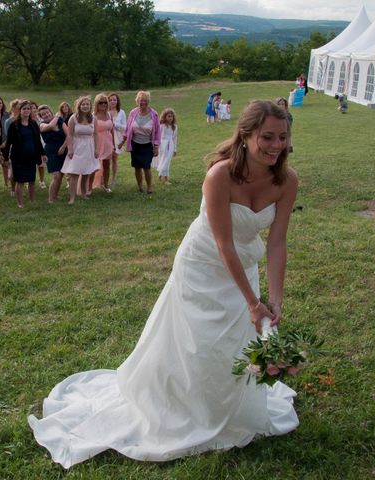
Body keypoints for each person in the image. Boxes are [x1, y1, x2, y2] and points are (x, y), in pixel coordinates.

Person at [28, 100, 299, 469]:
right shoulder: (219, 176)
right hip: (203, 264)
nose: (275, 145)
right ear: (246, 134)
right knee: (197, 341)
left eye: (282, 137)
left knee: (234, 341)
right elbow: (223, 245)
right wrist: (253, 301)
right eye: (267, 136)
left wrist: (276, 301)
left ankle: (226, 407)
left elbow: (278, 241)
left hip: (243, 265)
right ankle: (181, 407)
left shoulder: (287, 181)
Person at [3, 100, 47, 208]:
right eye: (24, 109)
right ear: (20, 110)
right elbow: (8, 143)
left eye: (28, 108)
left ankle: (32, 201)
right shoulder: (14, 125)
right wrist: (5, 158)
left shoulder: (33, 124)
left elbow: (37, 141)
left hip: (32, 157)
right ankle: (20, 203)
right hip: (18, 158)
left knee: (32, 180)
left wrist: (43, 154)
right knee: (20, 181)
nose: (26, 110)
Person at [119, 91, 159, 194]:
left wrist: (156, 146)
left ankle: (149, 187)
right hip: (135, 144)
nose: (143, 102)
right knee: (137, 167)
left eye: (145, 100)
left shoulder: (154, 114)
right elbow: (128, 129)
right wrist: (122, 141)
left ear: (148, 101)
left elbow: (158, 132)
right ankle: (140, 186)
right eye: (141, 100)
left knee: (146, 166)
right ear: (137, 101)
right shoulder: (133, 113)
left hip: (147, 145)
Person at [61, 96, 98, 205]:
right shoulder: (73, 118)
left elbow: (95, 134)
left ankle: (83, 194)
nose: (85, 106)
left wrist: (96, 149)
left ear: (90, 106)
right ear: (79, 106)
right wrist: (70, 149)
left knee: (86, 172)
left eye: (87, 104)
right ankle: (72, 198)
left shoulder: (93, 118)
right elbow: (70, 135)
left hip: (89, 146)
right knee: (74, 172)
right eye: (83, 104)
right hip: (77, 146)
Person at [38, 104, 68, 203]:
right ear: (41, 116)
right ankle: (50, 199)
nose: (46, 115)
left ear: (50, 112)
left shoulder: (60, 121)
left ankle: (56, 195)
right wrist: (56, 116)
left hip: (63, 150)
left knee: (61, 174)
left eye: (47, 112)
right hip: (51, 151)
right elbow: (50, 126)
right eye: (43, 114)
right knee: (56, 175)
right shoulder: (42, 125)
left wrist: (63, 147)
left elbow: (69, 135)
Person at [90, 93, 115, 193]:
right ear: (97, 104)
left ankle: (105, 185)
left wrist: (114, 144)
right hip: (97, 143)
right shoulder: (93, 116)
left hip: (108, 143)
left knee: (106, 164)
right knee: (94, 165)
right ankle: (90, 185)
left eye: (105, 102)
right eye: (101, 102)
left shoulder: (109, 114)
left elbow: (112, 130)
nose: (103, 104)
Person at [153, 108, 177, 185]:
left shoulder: (174, 127)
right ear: (165, 117)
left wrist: (175, 149)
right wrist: (156, 145)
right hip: (163, 145)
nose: (170, 118)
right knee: (163, 160)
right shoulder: (162, 126)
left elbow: (174, 138)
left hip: (170, 145)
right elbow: (158, 136)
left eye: (171, 116)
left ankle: (163, 177)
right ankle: (163, 177)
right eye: (168, 116)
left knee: (167, 161)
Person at [108, 92, 126, 188]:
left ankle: (113, 179)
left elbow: (125, 127)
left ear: (117, 101)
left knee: (114, 158)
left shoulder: (121, 112)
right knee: (105, 158)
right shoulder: (105, 112)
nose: (112, 101)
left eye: (114, 100)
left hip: (117, 137)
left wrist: (115, 125)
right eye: (110, 100)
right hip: (106, 137)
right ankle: (103, 178)